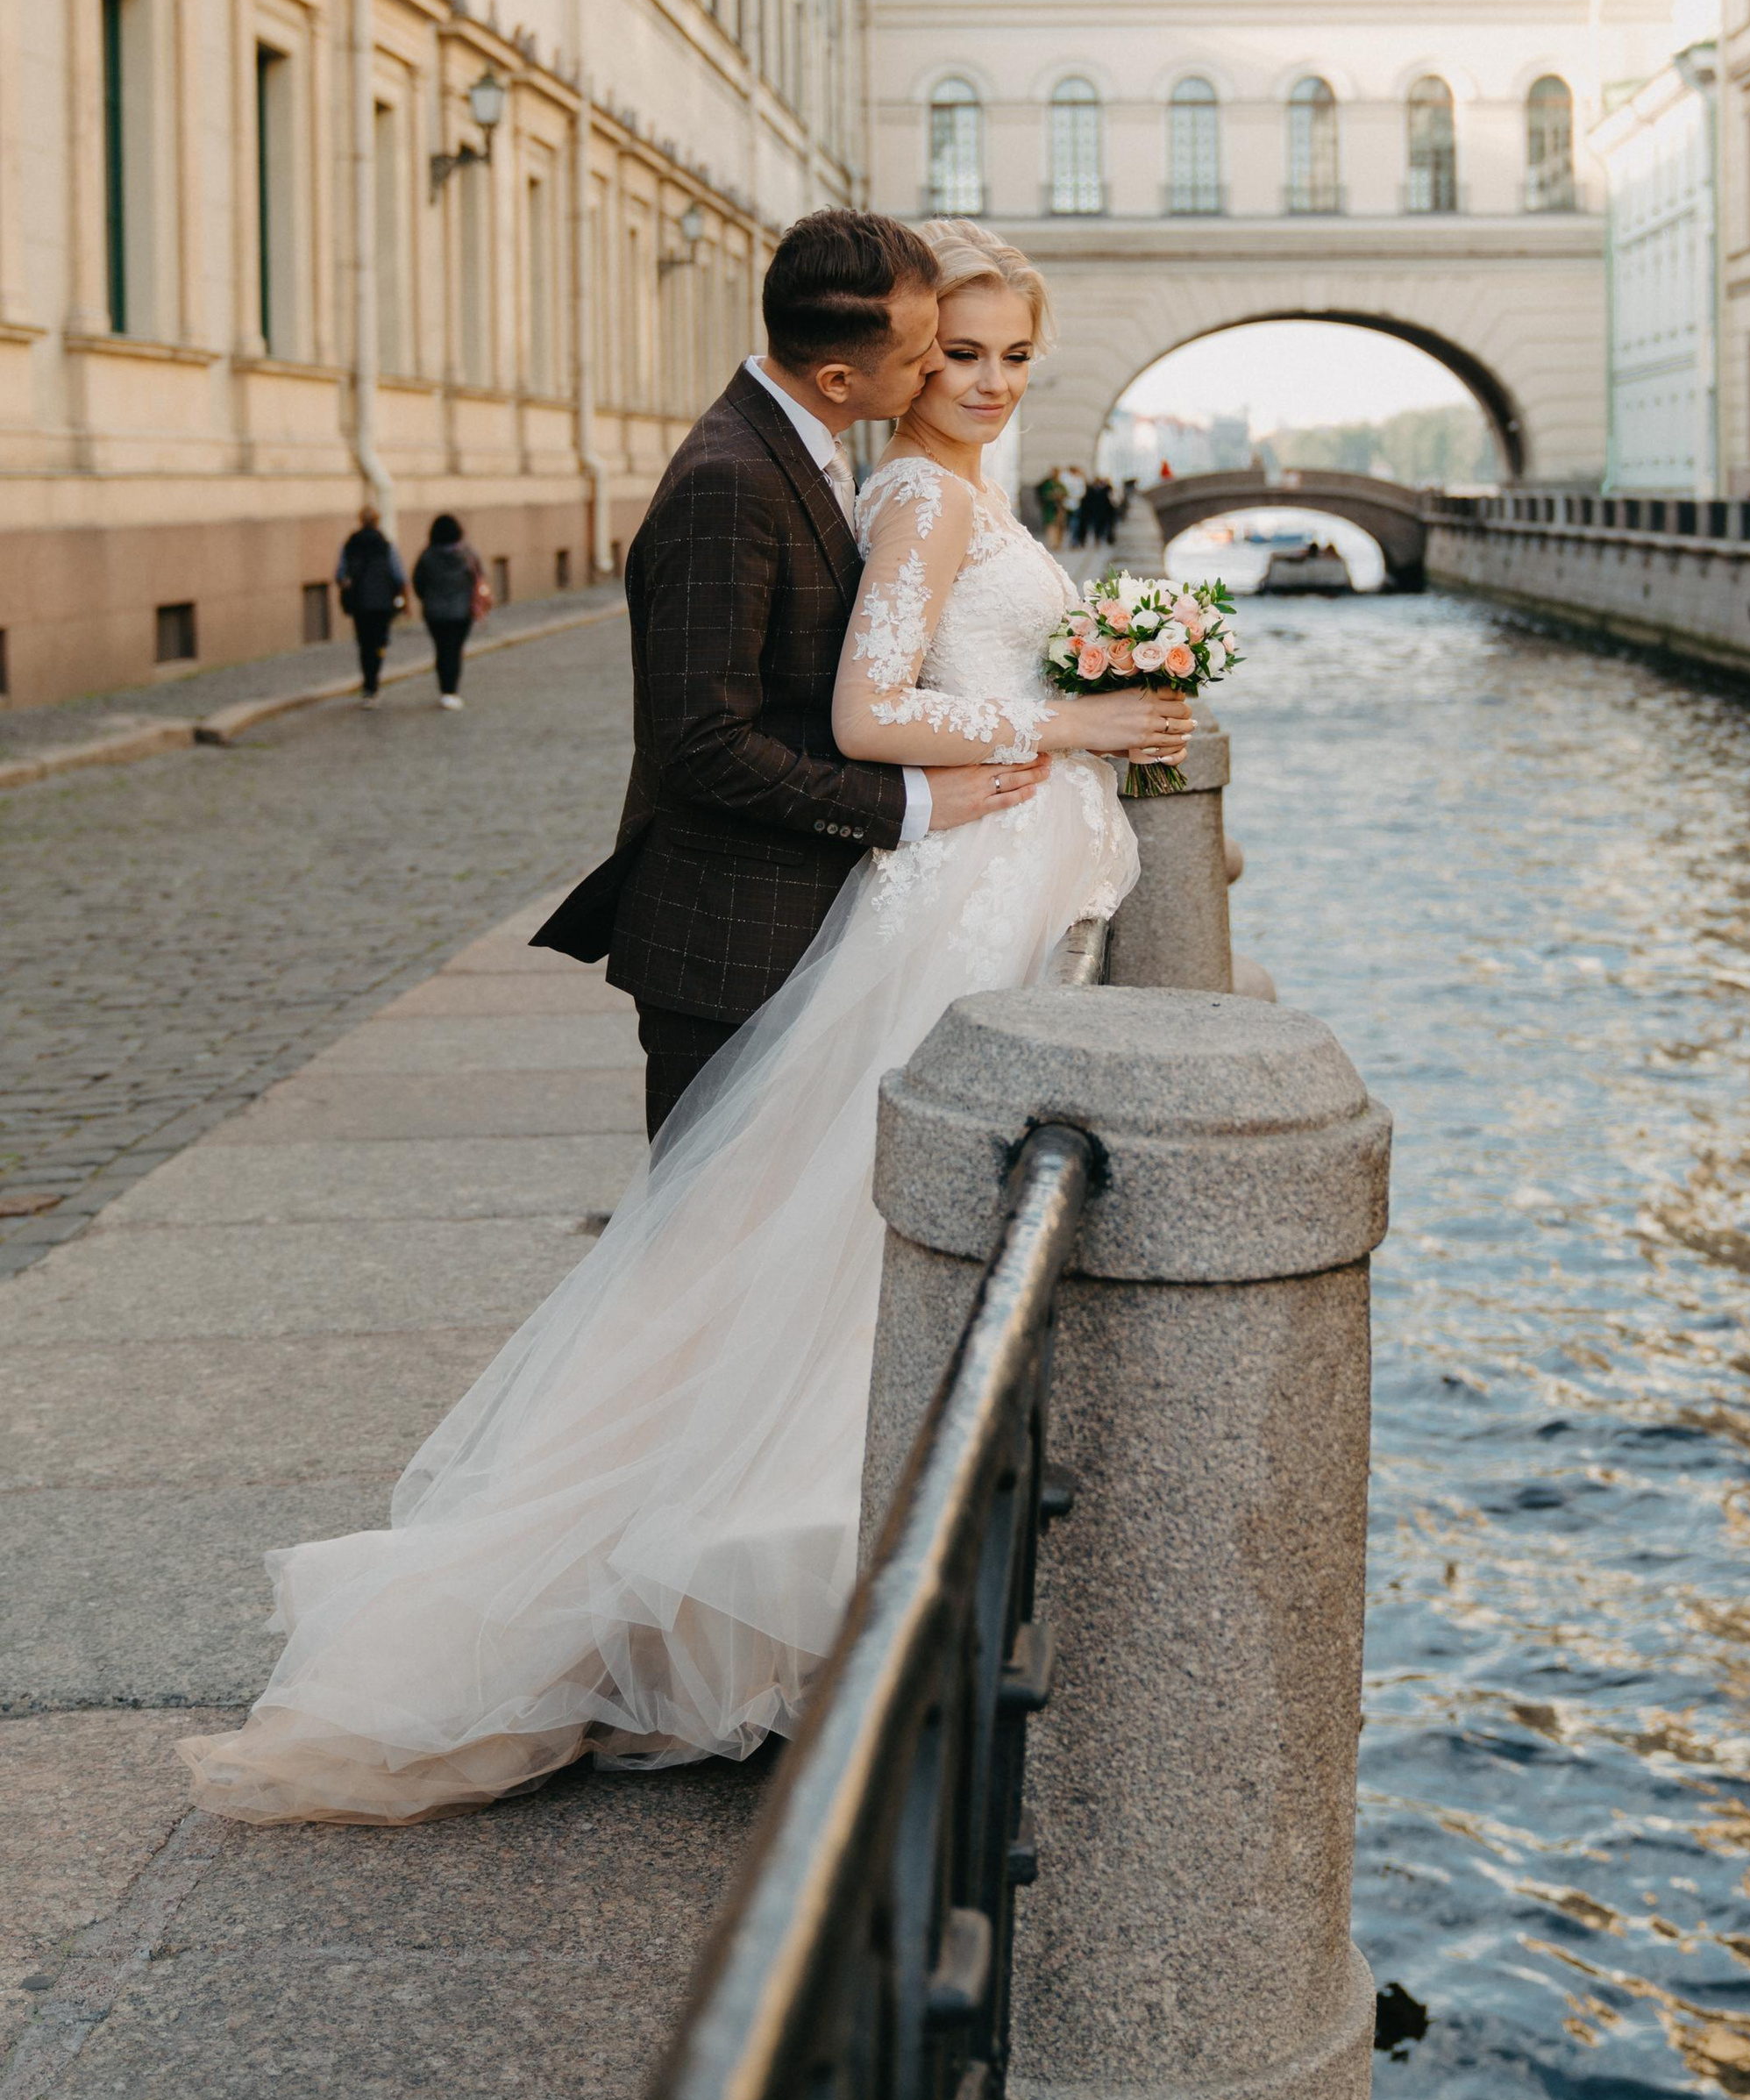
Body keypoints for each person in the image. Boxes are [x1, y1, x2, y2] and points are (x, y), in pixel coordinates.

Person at [178, 213, 1189, 1825]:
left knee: (771, 1284)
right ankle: (636, 1616)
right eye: (943, 349)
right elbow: (730, 742)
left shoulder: (838, 456)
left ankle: (736, 1604)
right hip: (751, 928)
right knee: (732, 1286)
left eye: (994, 352)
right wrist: (987, 767)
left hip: (837, 912)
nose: (963, 374)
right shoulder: (749, 479)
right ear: (861, 361)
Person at [410, 515, 487, 710]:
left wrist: (427, 599)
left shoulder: (427, 555)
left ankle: (445, 689)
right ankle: (452, 691)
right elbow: (480, 576)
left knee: (441, 649)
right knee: (455, 650)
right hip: (461, 612)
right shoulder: (468, 553)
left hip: (435, 612)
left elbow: (418, 582)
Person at [334, 508, 406, 703]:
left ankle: (368, 685)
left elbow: (340, 574)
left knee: (364, 643)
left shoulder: (350, 545)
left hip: (359, 603)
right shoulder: (386, 545)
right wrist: (403, 601)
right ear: (377, 521)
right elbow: (399, 575)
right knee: (379, 643)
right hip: (383, 603)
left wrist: (348, 585)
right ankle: (374, 682)